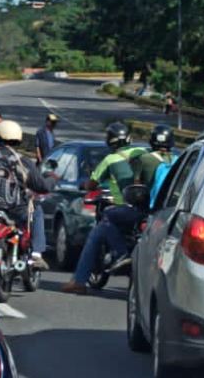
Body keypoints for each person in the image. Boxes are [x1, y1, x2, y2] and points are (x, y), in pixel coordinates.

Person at [61, 123, 150, 294]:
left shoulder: (109, 160)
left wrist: (84, 184)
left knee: (100, 227)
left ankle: (81, 279)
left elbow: (92, 184)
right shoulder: (142, 153)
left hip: (125, 208)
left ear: (110, 141)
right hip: (149, 209)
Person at [0, 119, 56, 270]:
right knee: (37, 211)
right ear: (18, 140)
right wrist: (51, 178)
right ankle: (36, 255)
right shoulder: (22, 162)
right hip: (15, 210)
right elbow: (41, 186)